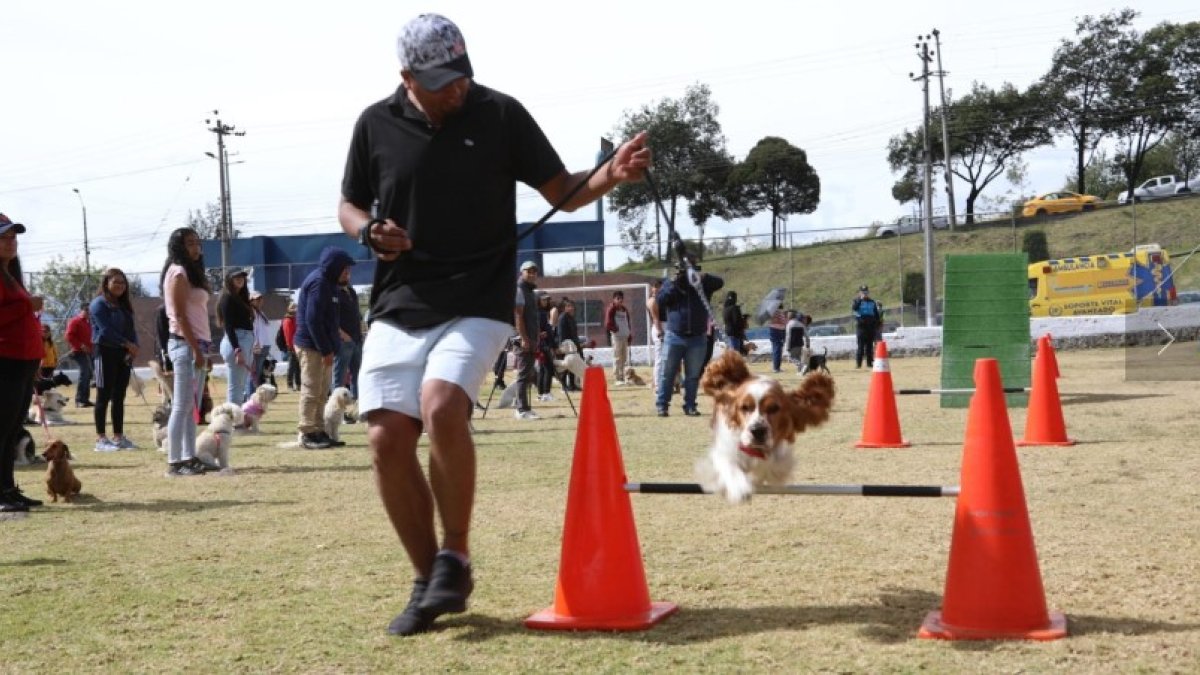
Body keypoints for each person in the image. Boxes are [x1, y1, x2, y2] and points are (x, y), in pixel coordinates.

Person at [336, 12, 652, 637]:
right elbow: (348, 203)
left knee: (443, 405)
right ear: (407, 77)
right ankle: (430, 581)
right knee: (384, 439)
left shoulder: (500, 113)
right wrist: (367, 231)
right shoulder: (373, 124)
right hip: (399, 300)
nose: (457, 88)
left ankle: (456, 550)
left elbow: (560, 186)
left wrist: (608, 177)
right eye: (441, 81)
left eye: (462, 74)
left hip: (478, 297)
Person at [0, 213, 45, 512]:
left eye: (13, 237)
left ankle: (8, 488)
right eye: (4, 237)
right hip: (5, 361)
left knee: (12, 430)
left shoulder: (11, 275)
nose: (10, 242)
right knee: (2, 429)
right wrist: (26, 307)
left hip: (23, 362)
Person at [161, 228, 215, 476]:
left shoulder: (191, 273)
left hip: (198, 344)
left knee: (191, 405)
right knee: (181, 405)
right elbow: (180, 316)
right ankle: (175, 462)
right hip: (184, 345)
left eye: (197, 243)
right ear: (179, 247)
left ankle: (189, 456)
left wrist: (204, 348)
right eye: (190, 243)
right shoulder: (178, 273)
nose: (196, 248)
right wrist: (196, 349)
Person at [294, 246, 355, 449]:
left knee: (322, 392)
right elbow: (313, 321)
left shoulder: (331, 284)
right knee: (311, 391)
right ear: (334, 267)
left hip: (324, 347)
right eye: (345, 269)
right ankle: (306, 433)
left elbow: (329, 320)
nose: (348, 273)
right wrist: (325, 349)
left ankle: (319, 431)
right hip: (312, 347)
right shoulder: (319, 283)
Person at [655, 255, 723, 417]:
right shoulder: (671, 284)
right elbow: (661, 300)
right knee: (667, 372)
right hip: (674, 335)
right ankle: (662, 405)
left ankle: (690, 405)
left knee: (693, 375)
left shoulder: (703, 284)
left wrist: (702, 277)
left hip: (697, 337)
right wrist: (674, 283)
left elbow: (720, 282)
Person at [89, 268, 139, 451]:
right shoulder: (98, 304)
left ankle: (118, 437)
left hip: (123, 354)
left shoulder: (124, 305)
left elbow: (131, 329)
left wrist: (134, 346)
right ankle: (101, 440)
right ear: (106, 283)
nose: (119, 286)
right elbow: (105, 330)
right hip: (104, 352)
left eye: (123, 283)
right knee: (103, 396)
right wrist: (127, 344)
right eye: (115, 282)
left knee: (119, 396)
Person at [217, 269, 254, 405]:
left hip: (245, 340)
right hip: (237, 341)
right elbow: (228, 326)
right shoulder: (227, 298)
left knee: (240, 387)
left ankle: (236, 420)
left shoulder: (241, 297)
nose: (240, 279)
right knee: (235, 389)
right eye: (236, 277)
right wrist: (237, 349)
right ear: (229, 280)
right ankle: (233, 422)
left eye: (242, 277)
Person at [512, 261, 541, 419]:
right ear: (521, 272)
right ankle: (521, 410)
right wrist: (524, 338)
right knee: (523, 374)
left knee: (528, 373)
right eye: (528, 271)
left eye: (534, 272)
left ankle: (524, 406)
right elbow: (518, 316)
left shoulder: (530, 291)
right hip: (523, 339)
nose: (532, 274)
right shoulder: (519, 290)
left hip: (531, 338)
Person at [333, 271, 364, 403]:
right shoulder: (333, 292)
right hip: (343, 341)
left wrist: (360, 333)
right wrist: (342, 334)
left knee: (358, 375)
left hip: (357, 339)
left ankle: (356, 407)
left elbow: (357, 314)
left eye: (348, 272)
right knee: (339, 377)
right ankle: (339, 408)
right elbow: (331, 317)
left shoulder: (351, 291)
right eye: (343, 271)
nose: (346, 274)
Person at [65, 304, 94, 408]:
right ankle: (79, 400)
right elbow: (69, 336)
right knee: (85, 373)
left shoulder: (89, 322)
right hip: (78, 352)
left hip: (89, 352)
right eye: (86, 310)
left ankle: (85, 399)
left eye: (90, 310)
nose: (88, 312)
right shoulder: (75, 321)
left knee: (88, 374)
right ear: (81, 310)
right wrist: (81, 345)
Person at [245, 291, 272, 400]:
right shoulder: (251, 313)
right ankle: (249, 396)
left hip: (264, 346)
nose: (259, 301)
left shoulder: (260, 313)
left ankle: (252, 395)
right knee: (253, 373)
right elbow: (254, 330)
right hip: (257, 346)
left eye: (260, 299)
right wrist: (255, 344)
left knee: (257, 373)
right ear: (251, 301)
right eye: (256, 299)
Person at [604, 290, 632, 385]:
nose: (620, 300)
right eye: (618, 298)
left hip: (625, 336)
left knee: (624, 358)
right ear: (614, 299)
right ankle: (617, 378)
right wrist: (616, 329)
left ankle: (624, 377)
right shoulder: (611, 309)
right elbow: (608, 323)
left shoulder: (624, 309)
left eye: (621, 298)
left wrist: (629, 333)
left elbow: (627, 322)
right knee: (617, 357)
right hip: (617, 337)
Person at [555, 298, 582, 391]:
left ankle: (572, 385)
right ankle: (564, 386)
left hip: (573, 345)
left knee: (573, 366)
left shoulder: (572, 318)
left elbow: (574, 333)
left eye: (572, 306)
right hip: (566, 346)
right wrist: (563, 346)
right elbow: (561, 333)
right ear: (564, 308)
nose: (571, 308)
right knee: (566, 366)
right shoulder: (562, 317)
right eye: (568, 306)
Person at [852, 284, 882, 368]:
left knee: (869, 346)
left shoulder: (872, 302)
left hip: (870, 326)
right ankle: (858, 364)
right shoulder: (856, 301)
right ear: (860, 293)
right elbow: (854, 308)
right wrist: (860, 300)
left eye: (866, 292)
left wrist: (878, 323)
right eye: (863, 292)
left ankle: (869, 363)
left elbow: (876, 314)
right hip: (861, 327)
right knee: (860, 346)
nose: (865, 294)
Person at [534, 292, 556, 402]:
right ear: (538, 300)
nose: (545, 302)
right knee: (548, 368)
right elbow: (538, 329)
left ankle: (541, 393)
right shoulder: (540, 313)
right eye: (543, 300)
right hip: (542, 345)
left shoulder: (542, 312)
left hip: (542, 344)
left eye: (546, 300)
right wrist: (543, 334)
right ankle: (546, 393)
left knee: (543, 369)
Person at [646, 278, 664, 394]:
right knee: (660, 358)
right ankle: (657, 384)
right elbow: (656, 318)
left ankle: (660, 382)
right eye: (656, 287)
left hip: (661, 327)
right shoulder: (652, 301)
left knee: (663, 358)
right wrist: (660, 331)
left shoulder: (659, 300)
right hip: (659, 328)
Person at [282, 302, 300, 392]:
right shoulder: (288, 320)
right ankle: (290, 385)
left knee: (298, 367)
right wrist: (292, 347)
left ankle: (298, 384)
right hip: (292, 347)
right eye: (293, 308)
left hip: (297, 346)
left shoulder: (295, 319)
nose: (295, 310)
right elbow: (289, 336)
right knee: (292, 366)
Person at [721, 291, 745, 357]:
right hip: (735, 333)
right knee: (735, 355)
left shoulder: (725, 309)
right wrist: (743, 318)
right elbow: (737, 321)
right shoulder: (734, 308)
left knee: (730, 353)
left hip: (727, 332)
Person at [767, 303, 788, 373]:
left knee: (775, 349)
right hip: (778, 331)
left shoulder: (771, 312)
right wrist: (786, 318)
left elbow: (770, 321)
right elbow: (784, 322)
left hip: (772, 330)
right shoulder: (779, 312)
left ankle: (776, 367)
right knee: (778, 349)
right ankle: (776, 368)